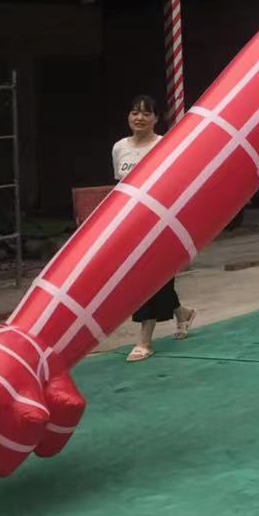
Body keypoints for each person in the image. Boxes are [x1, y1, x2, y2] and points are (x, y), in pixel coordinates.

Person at [112, 95, 195, 362]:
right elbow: (119, 188)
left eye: (146, 114)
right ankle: (181, 312)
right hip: (130, 224)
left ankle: (144, 341)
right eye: (135, 112)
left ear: (156, 119)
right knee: (153, 279)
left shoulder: (165, 146)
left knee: (147, 280)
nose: (139, 118)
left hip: (160, 223)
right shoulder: (119, 147)